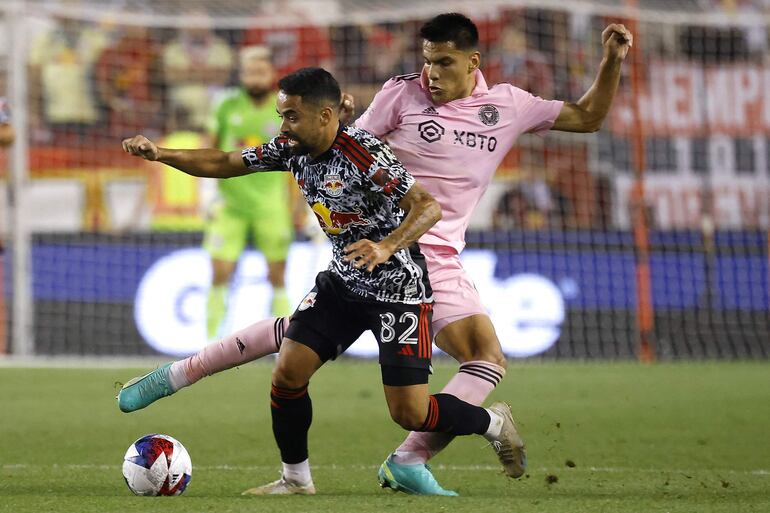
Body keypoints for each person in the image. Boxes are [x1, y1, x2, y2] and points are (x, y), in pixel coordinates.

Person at [117, 13, 632, 495]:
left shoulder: (508, 107)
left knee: (453, 370)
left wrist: (609, 60)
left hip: (420, 256)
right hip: (364, 250)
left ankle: (424, 450)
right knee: (298, 353)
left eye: (443, 62)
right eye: (426, 60)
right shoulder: (398, 96)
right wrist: (163, 154)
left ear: (473, 62)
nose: (430, 72)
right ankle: (369, 464)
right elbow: (343, 145)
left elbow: (587, 116)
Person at [120, 67, 524, 496]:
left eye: (292, 116)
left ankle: (492, 422)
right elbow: (223, 162)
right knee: (288, 372)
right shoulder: (290, 148)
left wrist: (386, 246)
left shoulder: (365, 156)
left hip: (397, 291)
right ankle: (295, 479)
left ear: (326, 115)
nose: (283, 126)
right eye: (281, 115)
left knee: (410, 413)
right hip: (343, 284)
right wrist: (160, 153)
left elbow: (427, 209)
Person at [203, 46, 296, 339]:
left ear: (271, 75)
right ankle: (209, 341)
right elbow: (209, 148)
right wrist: (207, 192)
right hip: (230, 205)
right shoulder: (226, 105)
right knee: (220, 273)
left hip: (271, 205)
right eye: (249, 72)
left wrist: (298, 205)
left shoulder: (283, 109)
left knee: (277, 276)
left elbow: (296, 157)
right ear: (241, 75)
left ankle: (282, 340)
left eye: (260, 71)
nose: (255, 77)